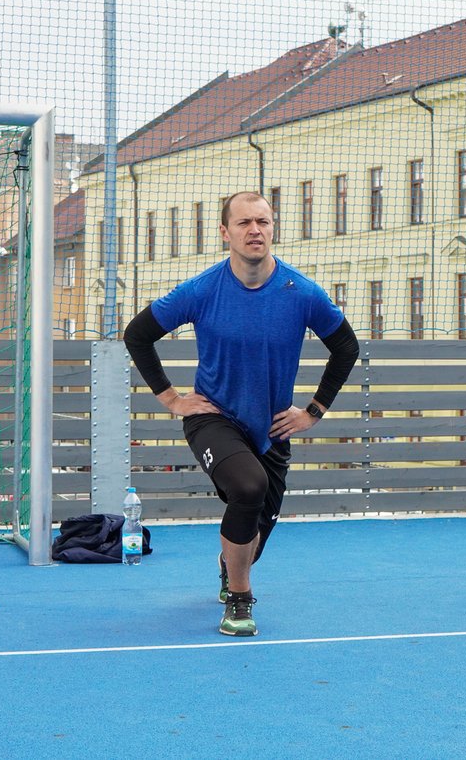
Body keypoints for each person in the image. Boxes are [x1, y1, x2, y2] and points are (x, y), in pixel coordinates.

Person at [124, 191, 359, 637]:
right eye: (245, 223)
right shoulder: (201, 289)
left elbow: (346, 347)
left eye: (264, 222)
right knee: (248, 489)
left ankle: (230, 566)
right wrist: (173, 400)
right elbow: (138, 335)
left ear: (273, 228)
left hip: (271, 427)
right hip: (213, 418)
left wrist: (313, 411)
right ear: (225, 232)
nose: (255, 231)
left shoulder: (302, 293)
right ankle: (239, 599)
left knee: (255, 537)